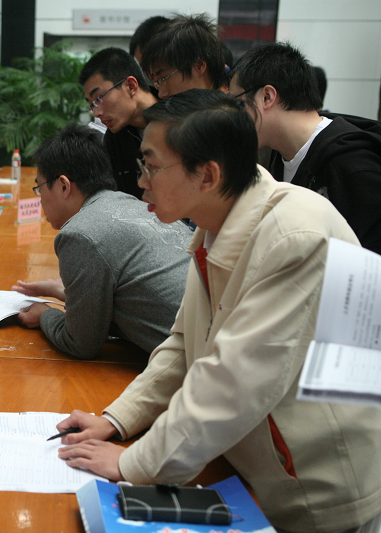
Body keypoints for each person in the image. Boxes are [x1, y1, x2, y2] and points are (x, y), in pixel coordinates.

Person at [56, 90, 381, 533]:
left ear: (207, 174)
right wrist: (116, 419)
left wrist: (134, 463)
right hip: (254, 471)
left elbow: (233, 380)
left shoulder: (294, 236)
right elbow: (184, 344)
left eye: (151, 166)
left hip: (318, 491)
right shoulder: (218, 225)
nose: (141, 182)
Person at [13, 123, 192, 359]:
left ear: (64, 186)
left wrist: (44, 314)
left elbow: (79, 343)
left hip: (196, 364)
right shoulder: (128, 202)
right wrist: (67, 293)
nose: (40, 198)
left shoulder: (79, 234)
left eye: (40, 188)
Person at [229, 42, 381, 254]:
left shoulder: (353, 165)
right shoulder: (280, 153)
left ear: (267, 97)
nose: (232, 117)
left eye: (237, 104)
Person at [79, 47, 159, 198]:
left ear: (130, 86)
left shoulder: (181, 120)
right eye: (92, 105)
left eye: (99, 99)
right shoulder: (114, 140)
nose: (97, 113)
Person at [139, 13, 228, 99]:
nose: (161, 94)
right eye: (158, 83)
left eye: (164, 79)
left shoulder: (228, 109)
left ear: (199, 66)